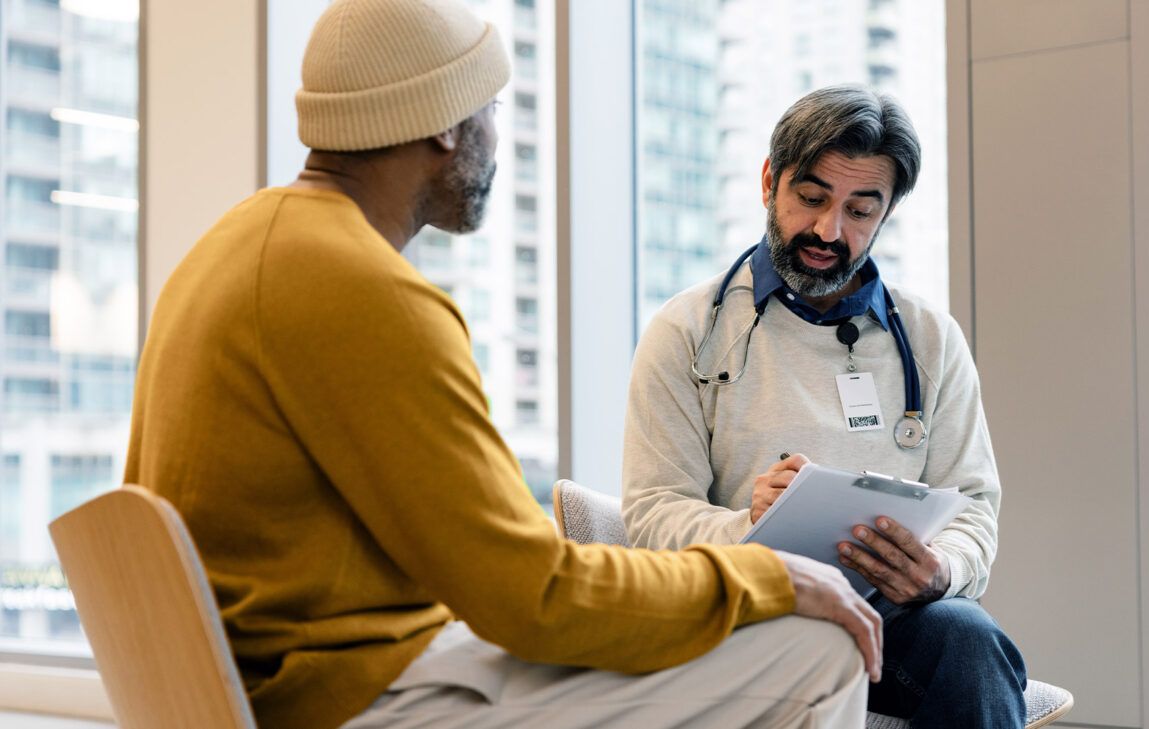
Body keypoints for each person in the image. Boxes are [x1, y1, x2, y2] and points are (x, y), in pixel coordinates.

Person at [123, 1, 890, 728]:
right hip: (348, 698)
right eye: (491, 109)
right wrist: (772, 576)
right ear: (447, 126)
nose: (499, 133)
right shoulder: (364, 291)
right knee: (815, 647)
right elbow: (535, 595)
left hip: (293, 672)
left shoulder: (233, 246)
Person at [621, 85, 1029, 727]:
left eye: (860, 210)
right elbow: (650, 513)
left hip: (886, 619)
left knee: (968, 641)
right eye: (810, 198)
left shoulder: (929, 339)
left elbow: (973, 505)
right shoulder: (688, 331)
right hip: (746, 611)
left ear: (886, 213)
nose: (828, 230)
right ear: (768, 182)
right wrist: (749, 527)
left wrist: (938, 571)